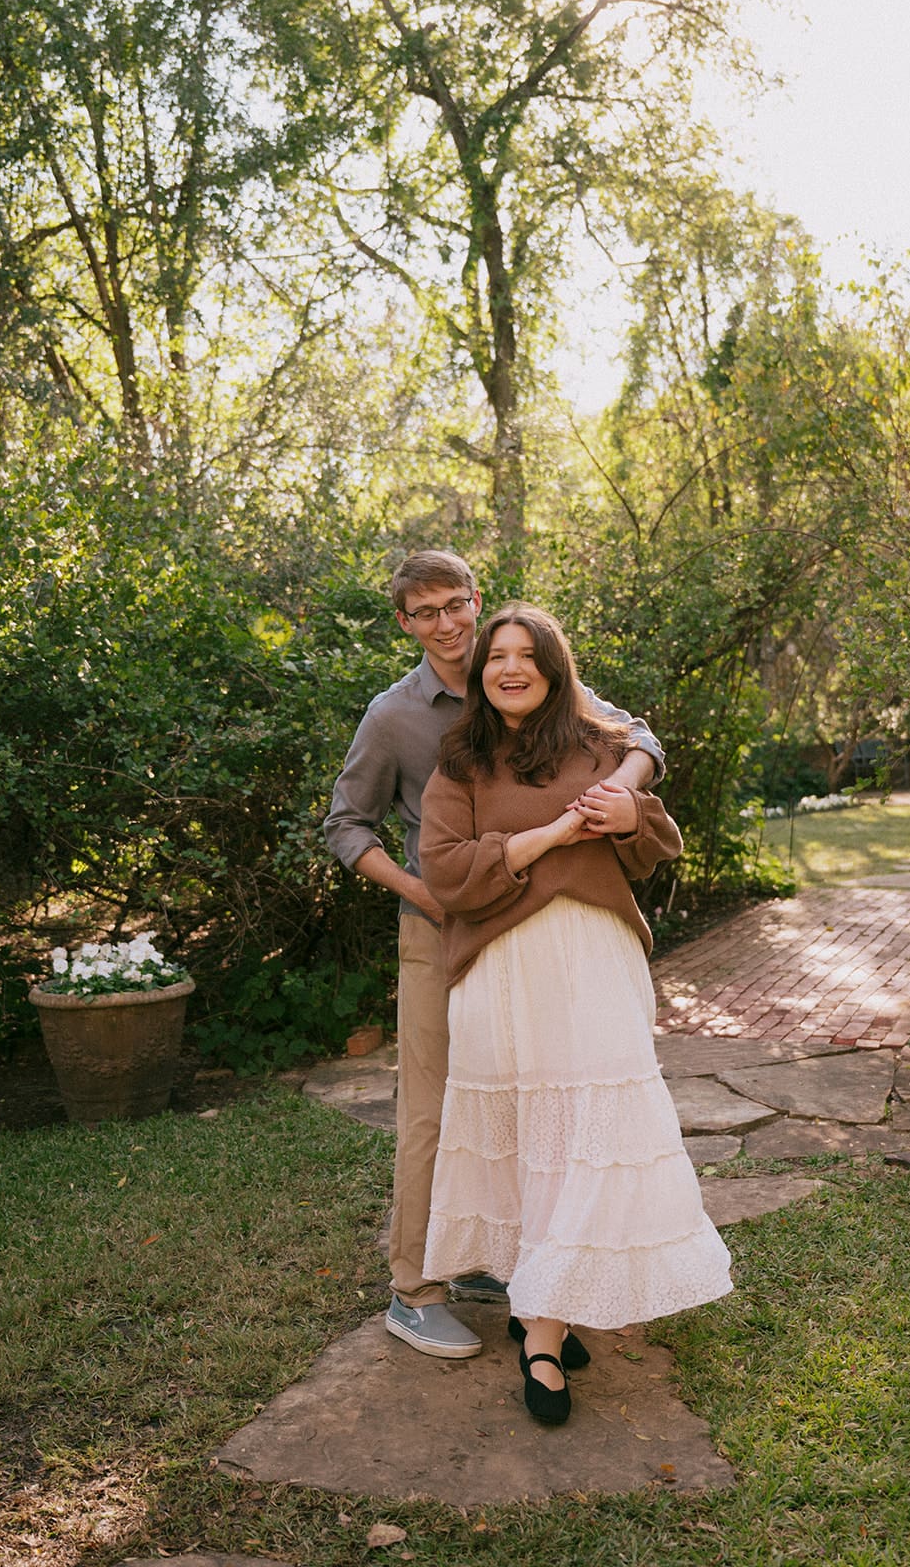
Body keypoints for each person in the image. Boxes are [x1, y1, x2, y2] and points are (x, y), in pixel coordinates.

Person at [323, 551, 665, 1360]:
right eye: (424, 611)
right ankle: (414, 1290)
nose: (446, 623)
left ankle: (494, 1260)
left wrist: (626, 789)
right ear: (403, 623)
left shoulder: (518, 668)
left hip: (536, 930)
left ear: (475, 603)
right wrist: (421, 894)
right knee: (433, 1111)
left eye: (455, 604)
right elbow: (345, 826)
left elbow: (634, 735)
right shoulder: (395, 715)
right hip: (443, 921)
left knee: (521, 1101)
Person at [418, 604, 733, 1425]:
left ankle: (543, 1316)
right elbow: (446, 873)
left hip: (594, 962)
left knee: (591, 1136)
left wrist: (632, 815)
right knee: (527, 1141)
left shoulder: (600, 746)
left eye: (528, 656)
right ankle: (543, 1320)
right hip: (500, 972)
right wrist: (547, 837)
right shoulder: (459, 762)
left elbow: (653, 844)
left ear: (556, 670)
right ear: (480, 671)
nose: (510, 669)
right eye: (497, 657)